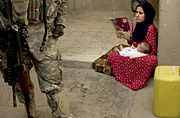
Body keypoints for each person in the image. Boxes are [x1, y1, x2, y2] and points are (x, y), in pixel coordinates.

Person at [0, 0, 72, 118]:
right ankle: (30, 111)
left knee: (53, 83)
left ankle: (62, 115)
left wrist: (60, 22)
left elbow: (62, 2)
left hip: (44, 36)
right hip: (13, 37)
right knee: (20, 82)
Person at [108, 1, 158, 90]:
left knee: (152, 60)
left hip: (142, 55)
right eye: (136, 12)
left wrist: (137, 53)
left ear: (147, 15)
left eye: (141, 13)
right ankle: (130, 71)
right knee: (112, 56)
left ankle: (132, 76)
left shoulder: (151, 29)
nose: (137, 15)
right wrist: (125, 36)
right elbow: (133, 42)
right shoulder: (135, 24)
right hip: (133, 51)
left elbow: (152, 51)